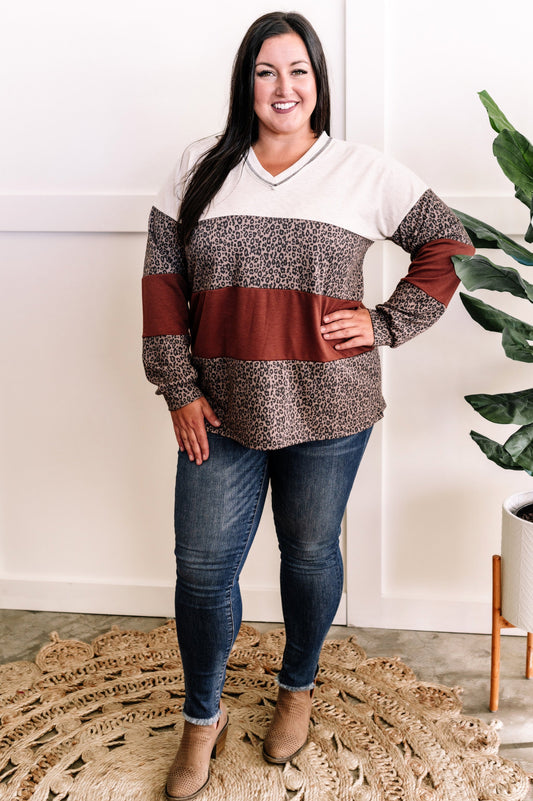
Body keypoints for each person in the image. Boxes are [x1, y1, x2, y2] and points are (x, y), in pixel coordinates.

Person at [142, 11, 474, 800]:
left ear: (318, 82)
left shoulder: (364, 170)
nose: (282, 87)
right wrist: (178, 387)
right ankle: (202, 716)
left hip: (330, 409)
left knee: (311, 553)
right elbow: (161, 277)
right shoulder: (198, 166)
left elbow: (447, 246)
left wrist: (384, 321)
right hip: (218, 409)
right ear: (245, 81)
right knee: (201, 572)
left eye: (297, 71)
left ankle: (298, 686)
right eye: (265, 71)